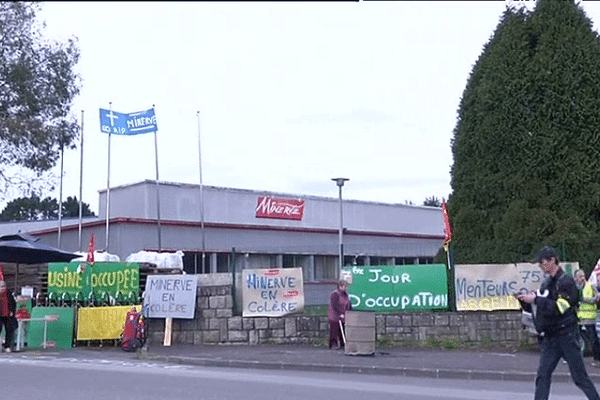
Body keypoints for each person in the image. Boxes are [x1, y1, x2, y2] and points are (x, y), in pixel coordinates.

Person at [517, 246, 600, 400]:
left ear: (553, 260)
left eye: (542, 263)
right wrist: (526, 301)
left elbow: (559, 308)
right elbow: (542, 308)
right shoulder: (547, 283)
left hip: (566, 336)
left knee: (580, 378)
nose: (541, 266)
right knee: (542, 376)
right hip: (550, 338)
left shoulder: (566, 282)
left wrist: (536, 299)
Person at [575, 269, 600, 363]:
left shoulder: (590, 285)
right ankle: (578, 355)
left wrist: (588, 299)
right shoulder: (575, 287)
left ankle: (597, 358)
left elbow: (597, 297)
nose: (582, 278)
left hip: (589, 316)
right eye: (580, 276)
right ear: (576, 278)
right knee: (578, 337)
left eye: (583, 276)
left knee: (593, 338)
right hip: (579, 317)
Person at [328, 280, 351, 350]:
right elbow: (335, 305)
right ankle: (333, 345)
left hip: (343, 316)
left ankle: (343, 344)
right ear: (340, 286)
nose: (345, 288)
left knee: (343, 331)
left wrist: (347, 311)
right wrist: (340, 313)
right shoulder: (335, 294)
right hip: (334, 316)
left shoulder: (346, 295)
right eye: (344, 286)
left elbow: (348, 304)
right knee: (334, 331)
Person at [0, 281, 16, 353]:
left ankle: (7, 346)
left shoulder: (8, 294)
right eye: (1, 287)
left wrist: (12, 311)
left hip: (7, 315)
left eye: (4, 287)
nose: (2, 288)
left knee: (9, 330)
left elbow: (13, 303)